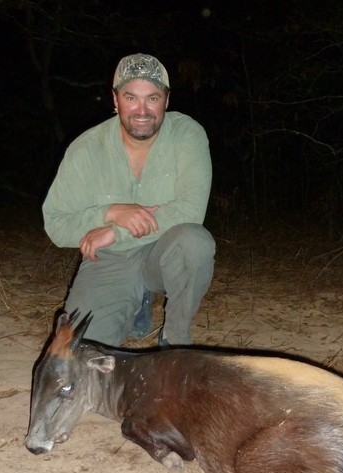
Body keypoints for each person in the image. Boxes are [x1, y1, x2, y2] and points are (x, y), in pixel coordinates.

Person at [43, 53, 215, 347]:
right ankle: (134, 303)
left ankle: (175, 345)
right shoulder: (85, 149)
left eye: (152, 98)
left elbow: (191, 209)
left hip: (162, 254)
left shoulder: (188, 134)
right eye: (131, 97)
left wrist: (115, 230)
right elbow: (56, 224)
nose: (142, 110)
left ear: (167, 101)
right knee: (79, 351)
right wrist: (110, 212)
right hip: (111, 259)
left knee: (194, 242)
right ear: (115, 100)